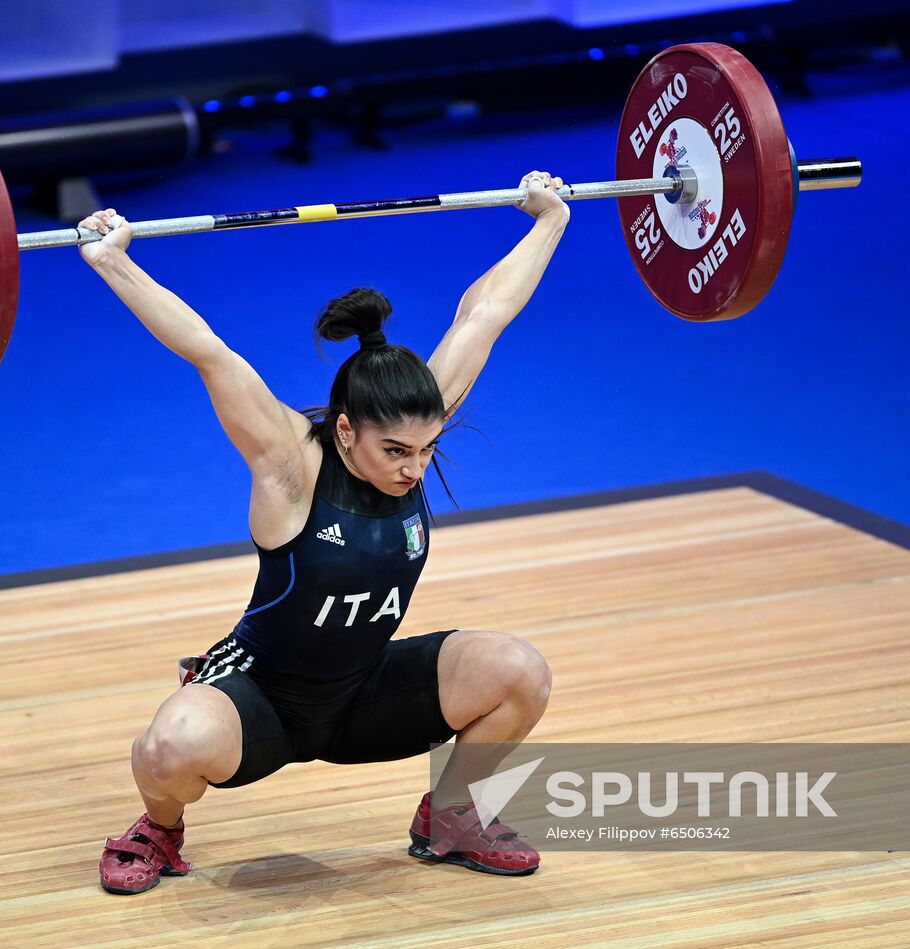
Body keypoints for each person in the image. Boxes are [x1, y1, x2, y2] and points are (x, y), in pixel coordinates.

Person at [86, 170, 569, 895]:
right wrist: (115, 260)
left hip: (364, 691)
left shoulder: (412, 422)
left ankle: (453, 816)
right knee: (169, 744)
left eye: (427, 450)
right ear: (346, 430)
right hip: (263, 698)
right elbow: (209, 353)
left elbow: (485, 313)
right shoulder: (291, 465)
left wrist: (550, 221)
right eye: (396, 453)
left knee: (520, 673)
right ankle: (159, 827)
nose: (415, 469)